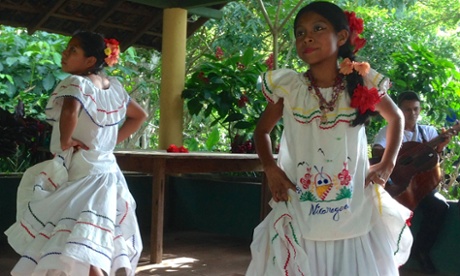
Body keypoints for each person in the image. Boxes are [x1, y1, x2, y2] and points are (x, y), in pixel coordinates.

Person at [246, 1, 414, 275]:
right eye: (300, 33)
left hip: (353, 209)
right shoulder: (289, 88)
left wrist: (387, 164)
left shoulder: (362, 82)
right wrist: (271, 169)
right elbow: (261, 131)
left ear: (343, 36)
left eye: (318, 28)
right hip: (300, 208)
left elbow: (396, 117)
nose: (306, 37)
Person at [5, 31, 148, 276]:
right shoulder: (113, 88)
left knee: (77, 236)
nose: (64, 53)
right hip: (106, 172)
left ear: (90, 61)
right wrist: (108, 144)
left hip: (82, 172)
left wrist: (66, 140)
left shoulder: (76, 83)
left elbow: (71, 110)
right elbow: (139, 116)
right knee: (91, 238)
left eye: (73, 50)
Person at [373, 90, 452, 274]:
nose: (412, 113)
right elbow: (377, 152)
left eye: (416, 109)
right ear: (398, 111)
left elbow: (433, 163)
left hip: (422, 187)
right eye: (407, 110)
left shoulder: (429, 132)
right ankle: (387, 259)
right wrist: (398, 155)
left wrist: (439, 149)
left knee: (440, 207)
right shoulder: (387, 130)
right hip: (398, 187)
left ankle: (421, 252)